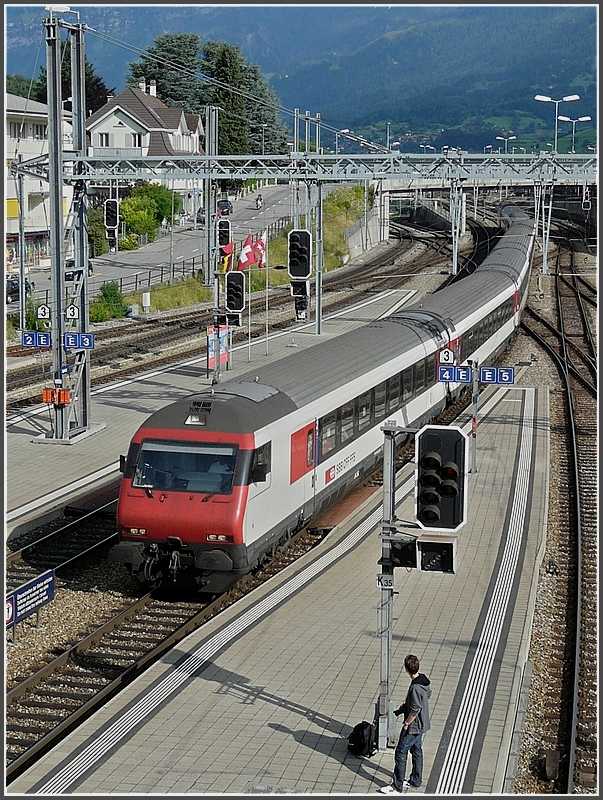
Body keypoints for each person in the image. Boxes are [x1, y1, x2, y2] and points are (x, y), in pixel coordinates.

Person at [379, 654, 432, 794]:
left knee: (400, 752)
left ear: (406, 669)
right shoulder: (423, 681)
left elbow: (415, 708)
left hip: (413, 727)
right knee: (416, 751)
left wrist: (406, 724)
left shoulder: (415, 687)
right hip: (422, 725)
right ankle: (416, 780)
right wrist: (401, 710)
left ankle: (397, 786)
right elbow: (426, 696)